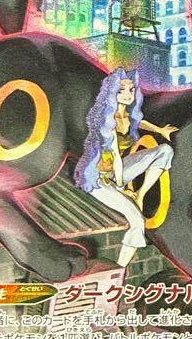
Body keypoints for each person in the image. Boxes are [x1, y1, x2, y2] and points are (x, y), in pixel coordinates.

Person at [73, 68, 178, 268]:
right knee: (137, 221)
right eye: (122, 90)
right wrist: (122, 188)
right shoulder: (107, 122)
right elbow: (116, 160)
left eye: (131, 90)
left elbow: (139, 122)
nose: (128, 94)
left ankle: (140, 194)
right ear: (112, 92)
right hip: (97, 179)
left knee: (164, 151)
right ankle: (119, 270)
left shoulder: (127, 116)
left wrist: (160, 130)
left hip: (115, 172)